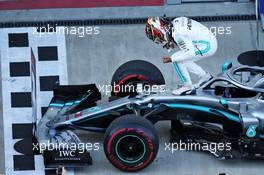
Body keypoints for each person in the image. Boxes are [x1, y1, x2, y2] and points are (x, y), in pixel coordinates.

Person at [145, 16, 217, 95]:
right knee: (182, 58)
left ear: (160, 29)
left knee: (177, 59)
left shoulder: (177, 34)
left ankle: (188, 87)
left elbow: (189, 53)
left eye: (158, 37)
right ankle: (205, 77)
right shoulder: (176, 21)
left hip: (207, 46)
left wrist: (171, 59)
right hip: (208, 41)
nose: (159, 40)